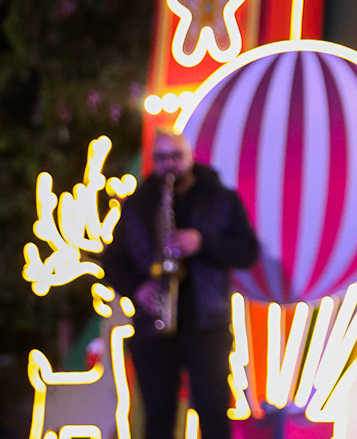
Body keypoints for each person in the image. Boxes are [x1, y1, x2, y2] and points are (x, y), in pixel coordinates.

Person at [104, 129, 259, 439]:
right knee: (158, 420)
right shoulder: (137, 204)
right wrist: (137, 288)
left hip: (207, 325)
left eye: (176, 156)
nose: (169, 165)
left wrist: (202, 241)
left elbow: (247, 251)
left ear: (190, 157)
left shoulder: (220, 198)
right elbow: (112, 262)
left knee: (214, 415)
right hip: (154, 326)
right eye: (161, 158)